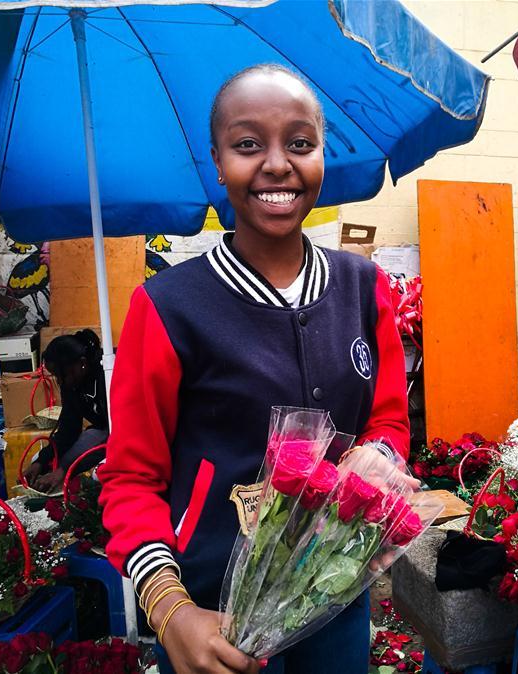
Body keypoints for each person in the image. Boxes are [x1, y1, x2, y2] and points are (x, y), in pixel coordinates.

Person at [98, 64, 413, 674]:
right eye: (248, 145)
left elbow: (390, 425)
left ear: (323, 155)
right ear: (217, 162)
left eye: (300, 143)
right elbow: (130, 479)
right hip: (212, 623)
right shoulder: (168, 308)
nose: (276, 164)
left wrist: (381, 460)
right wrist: (171, 611)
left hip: (335, 604)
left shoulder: (363, 289)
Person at [23, 329, 108, 493]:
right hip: (105, 430)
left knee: (99, 472)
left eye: (61, 375)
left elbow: (119, 436)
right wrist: (40, 461)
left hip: (131, 434)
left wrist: (64, 471)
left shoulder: (109, 373)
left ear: (82, 363)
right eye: (55, 376)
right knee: (49, 460)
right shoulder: (72, 383)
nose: (59, 381)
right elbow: (68, 430)